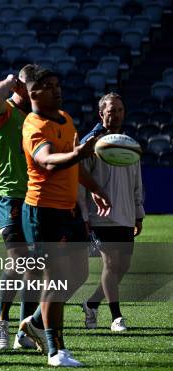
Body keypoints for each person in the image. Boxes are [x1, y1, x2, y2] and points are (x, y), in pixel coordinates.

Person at [18, 66, 110, 367]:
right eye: (49, 85)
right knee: (55, 280)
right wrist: (78, 154)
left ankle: (34, 321)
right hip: (43, 212)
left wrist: (94, 187)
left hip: (68, 210)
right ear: (34, 93)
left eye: (58, 84)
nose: (57, 89)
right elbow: (47, 160)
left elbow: (73, 163)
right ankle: (55, 351)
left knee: (80, 274)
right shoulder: (34, 126)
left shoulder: (65, 119)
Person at [79, 93, 144, 332]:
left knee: (122, 267)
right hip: (101, 216)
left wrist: (138, 212)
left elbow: (136, 181)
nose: (115, 114)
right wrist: (84, 216)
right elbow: (80, 184)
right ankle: (116, 317)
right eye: (111, 110)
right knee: (111, 264)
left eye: (119, 110)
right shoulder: (90, 143)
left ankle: (91, 303)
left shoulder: (129, 144)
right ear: (101, 114)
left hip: (126, 215)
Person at [0, 68, 38, 350]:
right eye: (32, 88)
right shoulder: (4, 112)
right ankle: (0, 320)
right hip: (8, 195)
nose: (36, 93)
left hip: (36, 196)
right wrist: (7, 82)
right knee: (19, 261)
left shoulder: (36, 118)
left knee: (35, 266)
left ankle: (24, 330)